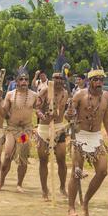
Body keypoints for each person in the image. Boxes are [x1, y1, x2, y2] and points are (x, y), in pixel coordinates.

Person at [66, 69, 108, 216]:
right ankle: (71, 207)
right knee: (76, 172)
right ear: (89, 81)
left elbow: (106, 119)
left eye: (101, 80)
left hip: (96, 137)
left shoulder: (106, 96)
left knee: (103, 171)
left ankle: (85, 201)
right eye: (96, 80)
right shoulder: (80, 95)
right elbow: (68, 114)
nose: (99, 83)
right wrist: (70, 113)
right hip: (80, 136)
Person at [0, 70, 39, 193]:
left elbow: (39, 110)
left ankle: (19, 184)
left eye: (26, 79)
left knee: (22, 156)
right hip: (11, 129)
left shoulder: (34, 95)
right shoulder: (10, 95)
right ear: (16, 81)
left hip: (25, 131)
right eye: (21, 79)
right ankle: (1, 181)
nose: (24, 82)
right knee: (7, 154)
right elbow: (4, 114)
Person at [34, 72, 70, 201]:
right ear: (52, 79)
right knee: (43, 160)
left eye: (61, 78)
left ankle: (62, 187)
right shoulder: (45, 90)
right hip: (44, 129)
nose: (58, 80)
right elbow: (37, 108)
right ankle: (44, 189)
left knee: (61, 158)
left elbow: (66, 111)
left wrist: (69, 114)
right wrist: (43, 116)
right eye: (56, 78)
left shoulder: (66, 93)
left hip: (59, 128)